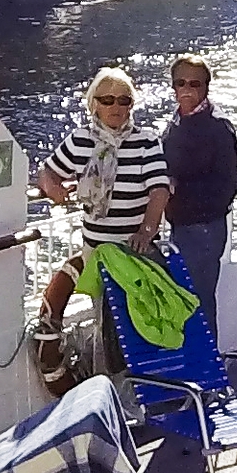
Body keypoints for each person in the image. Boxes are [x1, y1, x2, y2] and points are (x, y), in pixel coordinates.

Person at [35, 65, 169, 344]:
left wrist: (146, 231)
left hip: (134, 250)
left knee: (141, 321)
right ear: (94, 104)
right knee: (108, 322)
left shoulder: (146, 141)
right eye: (108, 100)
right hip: (97, 251)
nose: (116, 107)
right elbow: (47, 172)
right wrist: (53, 189)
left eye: (124, 100)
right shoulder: (80, 140)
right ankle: (114, 378)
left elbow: (159, 189)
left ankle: (142, 378)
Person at [161, 56, 237, 333]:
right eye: (180, 83)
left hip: (203, 229)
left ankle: (208, 371)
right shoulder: (177, 121)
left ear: (206, 87)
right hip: (181, 227)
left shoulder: (217, 128)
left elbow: (228, 185)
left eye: (194, 84)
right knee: (185, 300)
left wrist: (179, 193)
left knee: (199, 302)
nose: (186, 89)